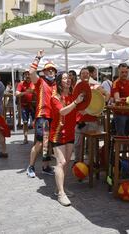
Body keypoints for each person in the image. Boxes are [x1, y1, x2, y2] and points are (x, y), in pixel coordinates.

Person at [49, 72, 84, 206]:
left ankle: (59, 188)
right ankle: (61, 194)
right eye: (64, 78)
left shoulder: (72, 95)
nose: (68, 80)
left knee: (67, 161)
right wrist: (76, 102)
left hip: (70, 132)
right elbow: (63, 111)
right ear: (59, 81)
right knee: (61, 162)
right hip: (57, 133)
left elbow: (77, 109)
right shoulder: (55, 97)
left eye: (69, 78)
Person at [26, 50, 56, 178]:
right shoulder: (40, 82)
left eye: (53, 70)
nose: (50, 71)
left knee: (48, 143)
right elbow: (31, 72)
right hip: (42, 116)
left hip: (53, 118)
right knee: (39, 143)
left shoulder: (56, 84)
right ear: (43, 72)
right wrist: (38, 57)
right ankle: (31, 166)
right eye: (48, 69)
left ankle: (45, 166)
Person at [73, 67, 110, 162]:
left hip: (92, 120)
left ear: (89, 75)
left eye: (87, 73)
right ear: (80, 76)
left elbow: (107, 94)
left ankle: (93, 163)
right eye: (83, 73)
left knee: (92, 144)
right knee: (77, 144)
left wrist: (101, 106)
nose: (85, 75)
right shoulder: (77, 88)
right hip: (80, 121)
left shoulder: (95, 86)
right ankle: (77, 162)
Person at [111, 63, 129, 135]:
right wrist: (128, 99)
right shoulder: (116, 83)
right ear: (118, 72)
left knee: (128, 135)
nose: (124, 74)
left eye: (126, 72)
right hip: (120, 113)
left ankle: (126, 146)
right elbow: (117, 99)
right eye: (122, 72)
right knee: (121, 135)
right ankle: (119, 146)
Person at [15, 70, 35, 144]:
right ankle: (25, 138)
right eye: (26, 74)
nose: (27, 76)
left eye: (28, 74)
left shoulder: (34, 83)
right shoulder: (21, 84)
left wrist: (33, 92)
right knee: (25, 122)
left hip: (33, 106)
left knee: (35, 122)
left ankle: (36, 139)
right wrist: (25, 92)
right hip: (24, 106)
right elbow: (16, 94)